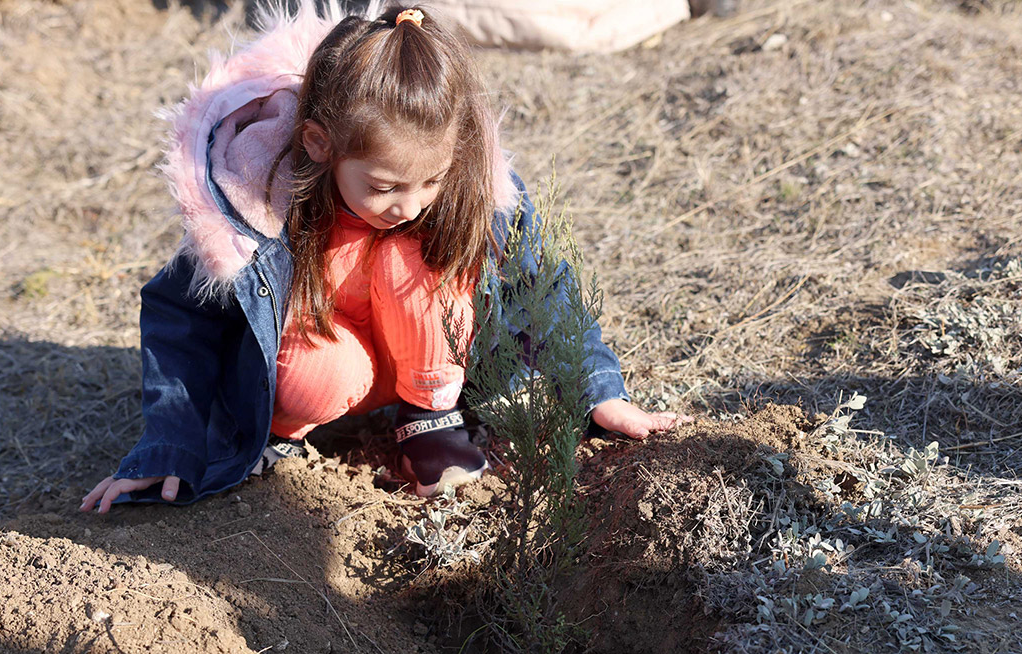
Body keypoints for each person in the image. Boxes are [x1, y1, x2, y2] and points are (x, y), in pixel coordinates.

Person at [81, 4, 686, 514]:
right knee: (326, 372)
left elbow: (545, 283)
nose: (412, 204)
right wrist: (171, 444)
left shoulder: (470, 191)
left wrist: (599, 390)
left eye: (431, 182)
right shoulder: (257, 200)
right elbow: (177, 317)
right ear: (320, 145)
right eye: (385, 186)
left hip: (431, 362)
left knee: (412, 260)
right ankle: (284, 439)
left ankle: (429, 424)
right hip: (326, 368)